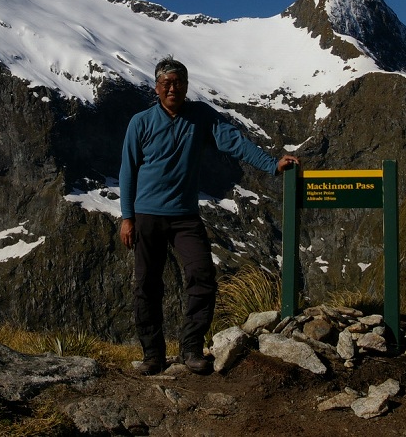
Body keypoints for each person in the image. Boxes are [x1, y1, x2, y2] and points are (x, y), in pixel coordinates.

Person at [118, 56, 299, 375]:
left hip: (185, 216)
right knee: (147, 284)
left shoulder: (201, 117)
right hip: (147, 216)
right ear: (157, 88)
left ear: (187, 86)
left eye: (179, 82)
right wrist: (127, 217)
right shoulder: (140, 122)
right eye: (166, 83)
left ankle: (190, 348)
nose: (173, 88)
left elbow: (236, 143)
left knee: (201, 275)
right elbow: (127, 171)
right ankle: (153, 355)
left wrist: (272, 164)